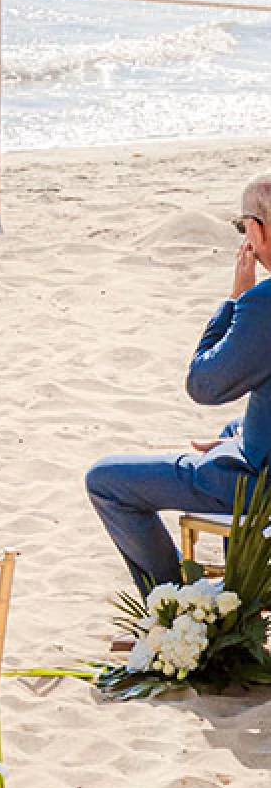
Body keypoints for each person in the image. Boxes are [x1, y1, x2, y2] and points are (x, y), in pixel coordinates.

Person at [86, 173, 271, 595]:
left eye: (245, 228)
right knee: (231, 430)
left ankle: (176, 607)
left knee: (106, 481)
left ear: (256, 229)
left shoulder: (264, 303)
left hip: (261, 485)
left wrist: (236, 302)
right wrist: (235, 439)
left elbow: (204, 385)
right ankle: (238, 597)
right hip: (260, 455)